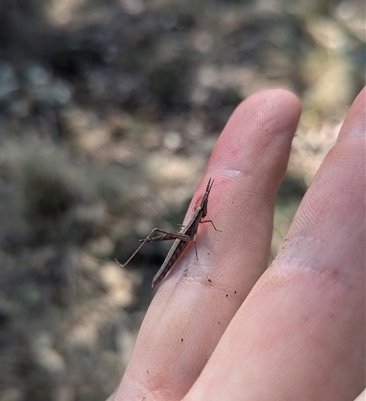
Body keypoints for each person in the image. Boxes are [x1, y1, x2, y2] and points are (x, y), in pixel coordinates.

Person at [110, 87, 365, 400]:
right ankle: (130, 259)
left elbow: (206, 222)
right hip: (183, 243)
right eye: (204, 201)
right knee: (165, 233)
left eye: (204, 202)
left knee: (186, 233)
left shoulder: (204, 216)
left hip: (189, 237)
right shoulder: (198, 222)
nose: (204, 204)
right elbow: (196, 231)